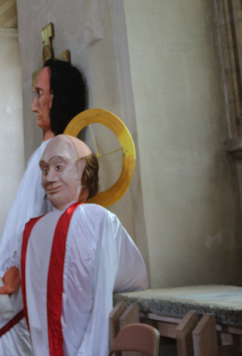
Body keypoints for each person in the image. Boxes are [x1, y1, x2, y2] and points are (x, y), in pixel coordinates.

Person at [0, 59, 87, 356]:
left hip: (28, 290)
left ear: (57, 98)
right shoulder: (44, 152)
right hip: (12, 284)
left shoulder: (64, 158)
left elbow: (46, 220)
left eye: (40, 94)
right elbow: (23, 217)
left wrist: (16, 268)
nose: (34, 105)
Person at [21, 135, 147, 356]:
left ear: (82, 170)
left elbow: (123, 283)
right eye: (44, 170)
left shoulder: (94, 219)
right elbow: (134, 277)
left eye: (58, 166)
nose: (49, 178)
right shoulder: (37, 229)